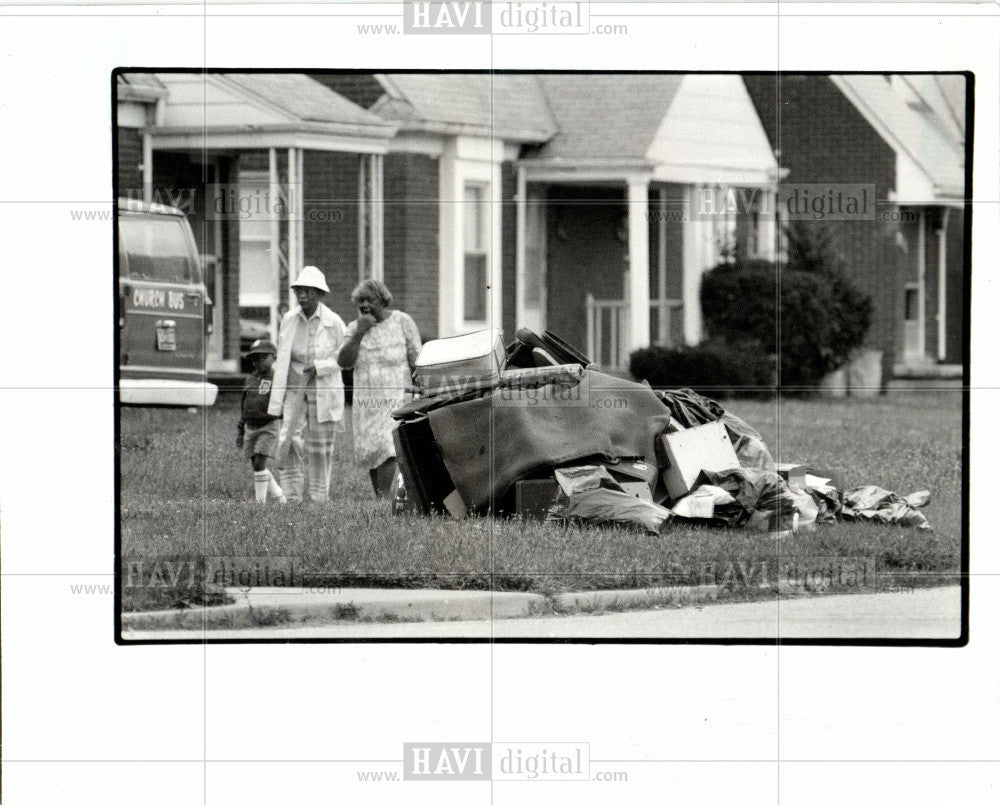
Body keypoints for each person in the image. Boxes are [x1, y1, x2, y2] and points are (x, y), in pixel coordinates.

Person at [267, 266, 347, 502]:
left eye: (308, 292)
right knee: (290, 439)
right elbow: (283, 357)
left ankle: (319, 496)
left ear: (320, 294)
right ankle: (291, 496)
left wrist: (320, 367)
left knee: (320, 444)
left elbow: (344, 358)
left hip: (323, 386)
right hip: (295, 386)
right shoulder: (289, 320)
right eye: (299, 291)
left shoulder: (334, 322)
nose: (302, 296)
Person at [338, 278, 421, 498]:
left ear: (382, 299)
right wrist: (359, 333)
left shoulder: (402, 321)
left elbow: (417, 359)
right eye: (360, 301)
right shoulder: (354, 328)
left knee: (388, 447)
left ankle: (385, 499)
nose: (364, 305)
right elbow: (343, 362)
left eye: (369, 299)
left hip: (396, 398)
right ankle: (381, 500)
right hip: (367, 402)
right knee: (373, 451)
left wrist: (422, 387)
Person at [236, 339, 287, 504]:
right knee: (256, 465)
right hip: (250, 426)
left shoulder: (277, 378)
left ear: (274, 357)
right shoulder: (250, 379)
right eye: (255, 358)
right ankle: (279, 495)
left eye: (263, 357)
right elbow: (244, 404)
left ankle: (260, 502)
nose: (259, 362)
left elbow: (283, 401)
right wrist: (241, 429)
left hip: (268, 425)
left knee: (259, 462)